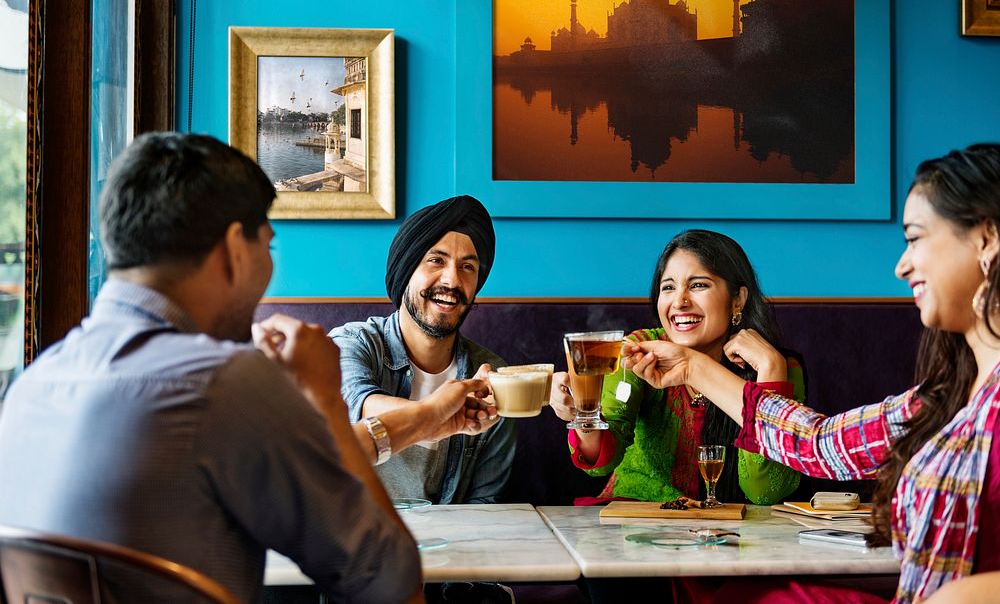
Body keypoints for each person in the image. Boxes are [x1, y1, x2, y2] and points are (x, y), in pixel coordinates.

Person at [0, 133, 494, 603]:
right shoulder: (230, 386)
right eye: (268, 245)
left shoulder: (30, 386)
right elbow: (388, 580)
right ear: (237, 249)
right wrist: (322, 399)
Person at [623, 144, 1000, 604]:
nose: (902, 266)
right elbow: (819, 444)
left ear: (987, 239)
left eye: (916, 238)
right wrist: (692, 367)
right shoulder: (948, 399)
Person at [550, 229, 805, 507]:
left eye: (698, 285)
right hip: (636, 526)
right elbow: (598, 461)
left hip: (727, 535)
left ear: (738, 300)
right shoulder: (641, 351)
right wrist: (583, 415)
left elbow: (765, 491)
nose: (679, 301)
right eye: (668, 287)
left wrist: (770, 371)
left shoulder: (778, 367)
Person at [332, 195, 515, 505]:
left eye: (467, 267)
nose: (452, 279)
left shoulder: (491, 377)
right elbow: (358, 403)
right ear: (405, 270)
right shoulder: (353, 343)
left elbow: (485, 502)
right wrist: (441, 413)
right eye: (436, 260)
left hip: (451, 547)